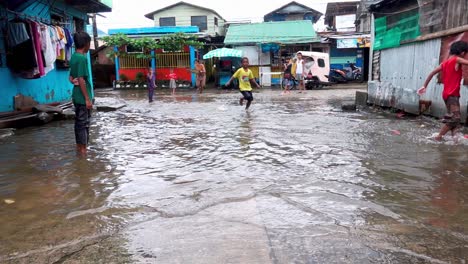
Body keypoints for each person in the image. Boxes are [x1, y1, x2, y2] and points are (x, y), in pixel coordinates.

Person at [418, 41, 468, 141]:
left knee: (454, 120)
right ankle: (439, 136)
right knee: (455, 118)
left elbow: (432, 73)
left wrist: (424, 86)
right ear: (462, 53)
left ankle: (455, 140)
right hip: (452, 94)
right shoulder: (457, 59)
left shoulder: (445, 63)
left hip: (447, 95)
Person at [69, 31, 92, 156]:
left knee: (79, 123)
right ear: (86, 44)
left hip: (76, 96)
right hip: (83, 97)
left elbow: (71, 77)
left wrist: (73, 80)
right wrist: (87, 99)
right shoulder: (82, 58)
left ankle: (79, 148)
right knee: (84, 123)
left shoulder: (73, 57)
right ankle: (83, 150)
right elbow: (82, 79)